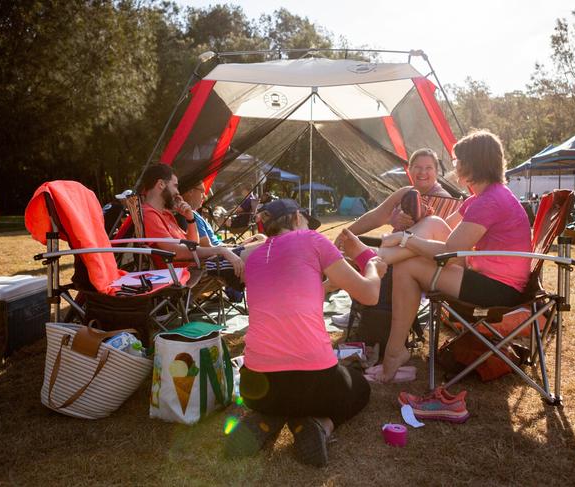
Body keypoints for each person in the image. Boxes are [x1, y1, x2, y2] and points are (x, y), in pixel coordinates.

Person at [338, 130, 532, 383]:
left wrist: (405, 238)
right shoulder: (481, 198)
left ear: (474, 163)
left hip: (498, 289)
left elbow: (449, 254)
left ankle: (376, 264)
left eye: (458, 161)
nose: (456, 166)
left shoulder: (490, 201)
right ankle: (377, 258)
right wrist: (419, 228)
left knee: (408, 267)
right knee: (433, 222)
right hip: (483, 275)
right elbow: (442, 231)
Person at [226, 199, 386, 467]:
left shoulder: (251, 256)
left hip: (256, 385)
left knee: (282, 389)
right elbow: (370, 294)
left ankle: (269, 417)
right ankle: (319, 424)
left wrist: (327, 286)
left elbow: (288, 296)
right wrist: (372, 265)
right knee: (360, 387)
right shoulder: (311, 240)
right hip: (313, 384)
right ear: (297, 217)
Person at [331, 148, 451, 326]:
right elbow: (376, 216)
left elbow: (440, 239)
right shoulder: (405, 192)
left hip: (417, 259)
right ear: (409, 170)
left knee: (370, 260)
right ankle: (360, 310)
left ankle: (367, 312)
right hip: (389, 252)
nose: (423, 172)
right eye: (417, 167)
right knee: (345, 257)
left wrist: (413, 224)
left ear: (437, 172)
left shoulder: (444, 199)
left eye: (428, 168)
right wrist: (346, 233)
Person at [139, 164, 247, 278]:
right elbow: (176, 253)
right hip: (186, 271)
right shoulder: (150, 215)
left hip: (197, 264)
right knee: (260, 254)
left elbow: (192, 244)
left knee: (261, 248)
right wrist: (220, 250)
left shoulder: (165, 214)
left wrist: (190, 219)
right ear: (161, 184)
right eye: (175, 186)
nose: (177, 192)